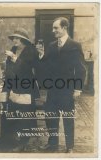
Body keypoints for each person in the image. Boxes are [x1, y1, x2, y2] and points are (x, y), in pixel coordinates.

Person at [38, 17, 86, 153]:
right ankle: (52, 144)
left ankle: (69, 146)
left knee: (67, 118)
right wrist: (41, 55)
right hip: (53, 89)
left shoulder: (75, 45)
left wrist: (77, 88)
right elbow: (46, 64)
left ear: (64, 28)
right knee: (51, 116)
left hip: (68, 89)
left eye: (56, 28)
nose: (53, 31)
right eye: (53, 28)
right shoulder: (52, 45)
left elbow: (81, 68)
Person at [2, 28, 40, 152]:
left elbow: (28, 69)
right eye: (14, 38)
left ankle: (24, 142)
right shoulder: (13, 49)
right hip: (13, 86)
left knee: (25, 116)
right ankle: (16, 138)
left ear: (24, 39)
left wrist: (14, 58)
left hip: (26, 87)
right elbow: (9, 69)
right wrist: (6, 87)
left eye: (17, 38)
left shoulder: (31, 50)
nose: (14, 40)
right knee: (15, 113)